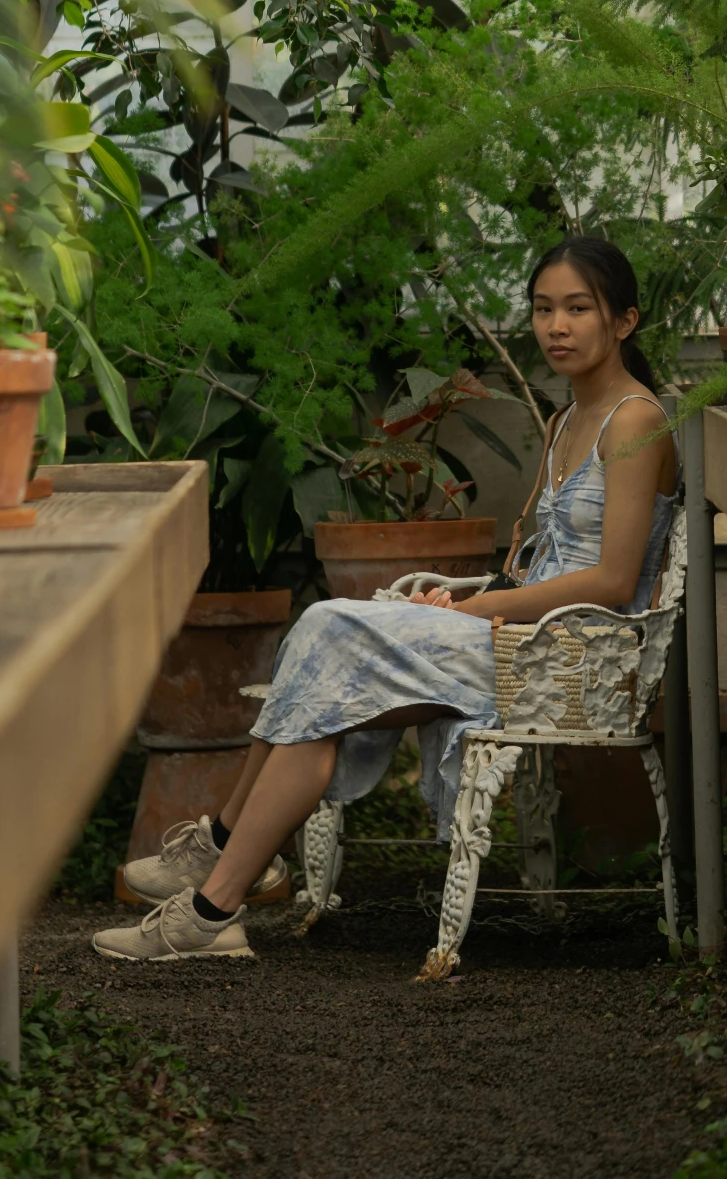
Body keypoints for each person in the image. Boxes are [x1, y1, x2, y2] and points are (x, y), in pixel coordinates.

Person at [91, 235, 679, 963]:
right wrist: (462, 597)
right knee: (326, 670)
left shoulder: (635, 420)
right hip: (521, 637)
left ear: (622, 321)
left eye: (577, 310)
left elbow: (610, 581)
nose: (555, 326)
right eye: (542, 309)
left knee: (327, 631)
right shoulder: (564, 421)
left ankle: (214, 864)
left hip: (574, 655)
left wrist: (467, 613)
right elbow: (530, 566)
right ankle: (213, 908)